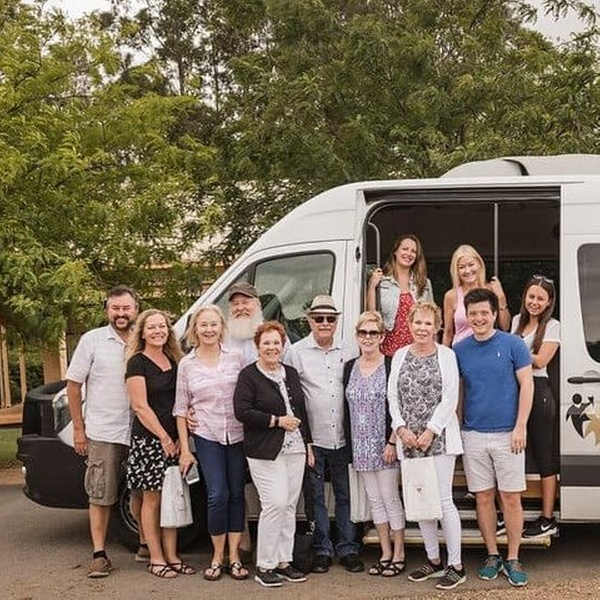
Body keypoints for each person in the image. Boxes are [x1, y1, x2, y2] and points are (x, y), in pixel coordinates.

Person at [454, 288, 534, 587]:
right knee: (484, 498)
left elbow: (527, 385)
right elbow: (459, 392)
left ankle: (513, 557)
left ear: (494, 314)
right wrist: (458, 429)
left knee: (511, 498)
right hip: (473, 434)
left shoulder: (513, 344)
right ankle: (492, 555)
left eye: (484, 313)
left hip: (508, 435)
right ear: (467, 315)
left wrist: (520, 426)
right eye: (473, 313)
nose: (479, 318)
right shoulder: (460, 349)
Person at [388, 302, 466, 591]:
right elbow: (392, 395)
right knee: (421, 501)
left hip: (439, 439)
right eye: (417, 323)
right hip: (409, 440)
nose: (422, 328)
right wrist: (400, 428)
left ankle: (456, 565)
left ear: (437, 327)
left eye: (428, 324)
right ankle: (433, 560)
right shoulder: (399, 355)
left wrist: (431, 431)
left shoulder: (447, 355)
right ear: (409, 325)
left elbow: (450, 397)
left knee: (443, 501)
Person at [234, 321, 314, 588]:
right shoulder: (249, 376)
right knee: (275, 504)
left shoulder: (289, 373)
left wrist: (308, 443)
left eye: (276, 343)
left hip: (296, 448)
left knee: (290, 506)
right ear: (257, 347)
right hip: (264, 450)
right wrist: (276, 421)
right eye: (266, 343)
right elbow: (242, 411)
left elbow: (301, 410)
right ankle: (265, 565)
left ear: (283, 346)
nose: (271, 348)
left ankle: (284, 561)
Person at [288, 295, 364, 574]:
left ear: (336, 321)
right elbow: (290, 394)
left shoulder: (350, 348)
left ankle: (348, 548)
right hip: (313, 438)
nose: (324, 323)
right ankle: (322, 549)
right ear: (309, 320)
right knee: (316, 498)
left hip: (343, 436)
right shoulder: (296, 352)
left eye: (330, 318)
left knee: (345, 494)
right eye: (318, 318)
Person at [67, 285, 139, 578]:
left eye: (126, 308)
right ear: (107, 310)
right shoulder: (92, 341)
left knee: (142, 491)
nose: (121, 314)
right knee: (101, 494)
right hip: (103, 431)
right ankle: (99, 554)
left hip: (140, 430)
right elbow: (74, 385)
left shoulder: (145, 339)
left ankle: (146, 545)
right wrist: (79, 429)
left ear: (135, 309)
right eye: (115, 308)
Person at [174, 304, 248, 582]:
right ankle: (217, 557)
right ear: (195, 329)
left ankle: (235, 557)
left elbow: (249, 394)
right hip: (207, 435)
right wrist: (185, 450)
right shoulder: (187, 364)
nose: (209, 330)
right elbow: (181, 409)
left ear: (221, 327)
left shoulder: (236, 358)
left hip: (238, 435)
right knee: (217, 494)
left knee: (236, 494)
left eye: (213, 324)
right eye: (203, 325)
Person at [124, 309, 194, 579]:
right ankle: (155, 558)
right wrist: (163, 437)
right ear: (142, 333)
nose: (158, 331)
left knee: (171, 499)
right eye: (151, 327)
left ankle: (172, 556)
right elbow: (140, 406)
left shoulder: (175, 360)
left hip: (174, 441)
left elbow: (183, 401)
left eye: (162, 326)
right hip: (149, 441)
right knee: (151, 500)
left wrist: (178, 438)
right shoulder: (137, 363)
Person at [343, 311, 406, 577]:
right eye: (363, 333)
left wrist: (392, 441)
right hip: (360, 446)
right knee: (375, 500)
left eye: (373, 333)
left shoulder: (391, 365)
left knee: (391, 498)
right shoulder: (349, 367)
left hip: (385, 444)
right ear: (357, 336)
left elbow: (399, 406)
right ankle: (385, 552)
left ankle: (399, 553)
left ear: (381, 336)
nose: (367, 338)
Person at [512, 275, 560, 538]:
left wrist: (514, 352)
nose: (534, 302)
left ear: (549, 302)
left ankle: (547, 518)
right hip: (516, 389)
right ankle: (512, 514)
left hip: (539, 391)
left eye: (541, 298)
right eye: (531, 296)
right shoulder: (516, 322)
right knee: (514, 453)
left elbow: (541, 361)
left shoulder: (553, 326)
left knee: (544, 454)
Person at [367, 234, 433, 356]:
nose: (409, 253)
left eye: (413, 251)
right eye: (405, 249)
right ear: (395, 252)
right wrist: (372, 286)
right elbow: (372, 315)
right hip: (388, 349)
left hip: (417, 347)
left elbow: (431, 318)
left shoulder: (424, 283)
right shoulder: (382, 281)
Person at [442, 244, 510, 347]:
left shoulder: (491, 289)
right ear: (456, 271)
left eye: (471, 265)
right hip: (461, 351)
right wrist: (444, 354)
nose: (467, 271)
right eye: (462, 267)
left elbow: (505, 327)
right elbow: (448, 333)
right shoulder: (451, 296)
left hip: (489, 348)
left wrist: (501, 298)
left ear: (479, 264)